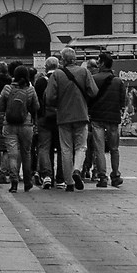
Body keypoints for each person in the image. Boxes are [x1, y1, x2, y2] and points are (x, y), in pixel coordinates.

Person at [47, 47, 97, 191]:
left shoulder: (57, 74)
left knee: (66, 149)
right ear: (75, 59)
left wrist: (59, 102)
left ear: (62, 60)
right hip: (81, 114)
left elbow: (49, 97)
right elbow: (93, 91)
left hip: (63, 116)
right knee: (81, 146)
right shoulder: (84, 72)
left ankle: (69, 182)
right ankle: (77, 170)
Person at [88, 49, 124, 188]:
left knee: (99, 148)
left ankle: (102, 177)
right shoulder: (118, 81)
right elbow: (122, 102)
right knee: (114, 148)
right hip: (113, 119)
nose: (97, 64)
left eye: (98, 62)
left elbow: (89, 97)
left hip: (97, 118)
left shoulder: (94, 79)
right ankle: (115, 175)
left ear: (102, 63)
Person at [0, 63, 37, 193]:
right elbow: (36, 106)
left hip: (9, 124)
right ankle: (27, 182)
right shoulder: (30, 90)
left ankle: (14, 181)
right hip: (26, 125)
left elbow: (0, 106)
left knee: (12, 154)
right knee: (26, 154)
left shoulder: (7, 88)